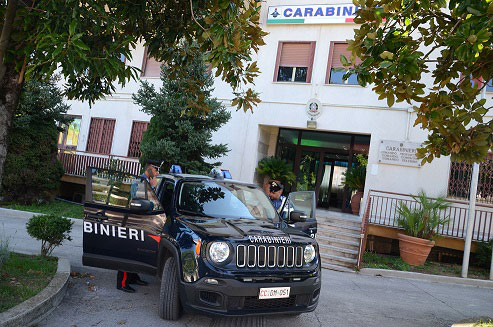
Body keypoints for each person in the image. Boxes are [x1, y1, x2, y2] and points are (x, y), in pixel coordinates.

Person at [117, 160, 161, 292]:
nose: (157, 172)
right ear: (150, 169)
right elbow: (143, 202)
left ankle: (133, 277)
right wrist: (153, 188)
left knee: (136, 253)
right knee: (128, 253)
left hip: (142, 222)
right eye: (156, 169)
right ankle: (122, 283)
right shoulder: (141, 182)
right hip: (134, 221)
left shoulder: (145, 181)